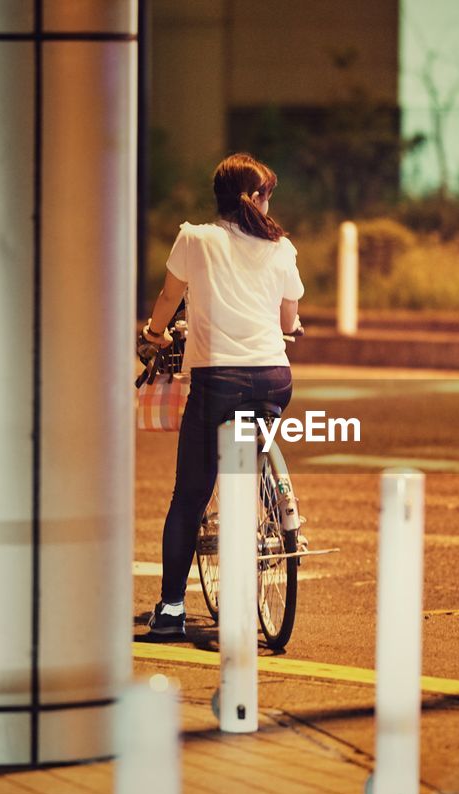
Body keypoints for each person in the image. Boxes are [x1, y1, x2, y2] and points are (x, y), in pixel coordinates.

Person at [138, 153, 304, 638]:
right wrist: (292, 327)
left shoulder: (195, 238)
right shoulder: (282, 248)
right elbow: (287, 320)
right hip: (275, 378)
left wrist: (154, 335)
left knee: (189, 494)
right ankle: (268, 511)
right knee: (250, 447)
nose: (270, 202)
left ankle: (170, 609)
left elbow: (168, 301)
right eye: (267, 193)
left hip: (218, 382)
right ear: (254, 198)